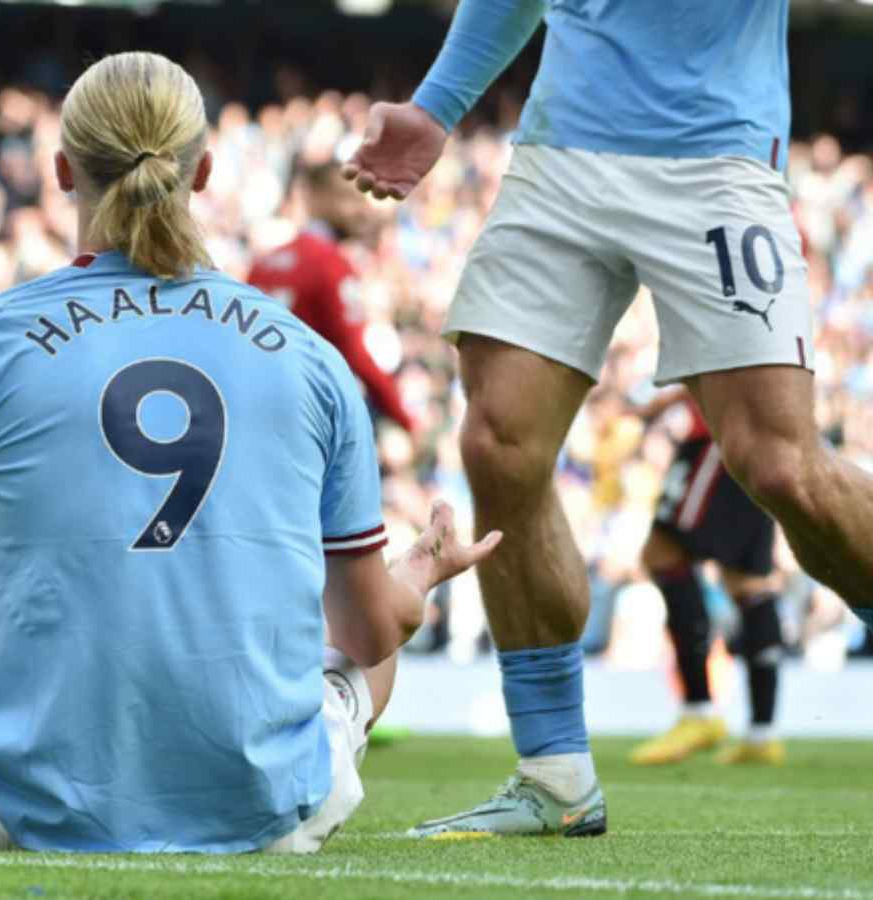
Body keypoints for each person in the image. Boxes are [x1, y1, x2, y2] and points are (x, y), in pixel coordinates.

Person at [0, 52, 500, 853]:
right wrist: (421, 568)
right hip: (274, 808)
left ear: (64, 171)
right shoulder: (311, 359)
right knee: (369, 646)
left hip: (30, 804)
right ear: (204, 172)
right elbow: (368, 633)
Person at [343, 0, 873, 838]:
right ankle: (555, 776)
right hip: (562, 154)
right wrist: (436, 107)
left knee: (779, 465)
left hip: (716, 154)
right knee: (496, 442)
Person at [629, 389, 785, 767]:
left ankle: (698, 712)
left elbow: (722, 349)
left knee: (663, 555)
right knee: (747, 581)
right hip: (757, 434)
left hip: (719, 433)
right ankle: (762, 734)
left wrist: (672, 398)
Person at [248, 158, 415, 433]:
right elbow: (354, 354)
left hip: (259, 416)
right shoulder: (331, 264)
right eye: (349, 200)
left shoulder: (263, 264)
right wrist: (406, 419)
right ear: (316, 200)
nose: (362, 210)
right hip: (303, 421)